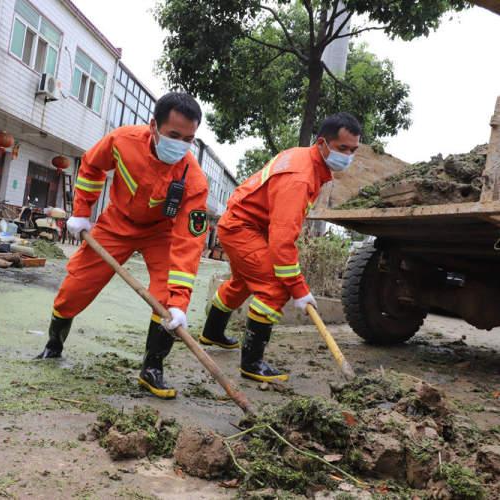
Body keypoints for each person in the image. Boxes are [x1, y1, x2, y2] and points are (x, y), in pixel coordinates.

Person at [36, 92, 209, 400]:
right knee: (76, 286)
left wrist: (179, 302)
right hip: (117, 223)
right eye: (174, 135)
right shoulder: (123, 140)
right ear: (154, 126)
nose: (181, 145)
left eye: (189, 139)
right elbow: (91, 166)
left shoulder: (193, 180)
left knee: (167, 297)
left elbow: (189, 242)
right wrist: (81, 211)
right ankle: (54, 345)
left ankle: (152, 368)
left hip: (161, 233)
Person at [201, 112, 360, 382]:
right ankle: (252, 363)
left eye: (353, 150)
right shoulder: (300, 177)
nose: (347, 155)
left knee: (243, 282)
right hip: (244, 228)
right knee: (274, 287)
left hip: (244, 224)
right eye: (342, 148)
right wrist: (298, 288)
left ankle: (212, 332)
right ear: (322, 143)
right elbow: (282, 241)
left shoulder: (304, 158)